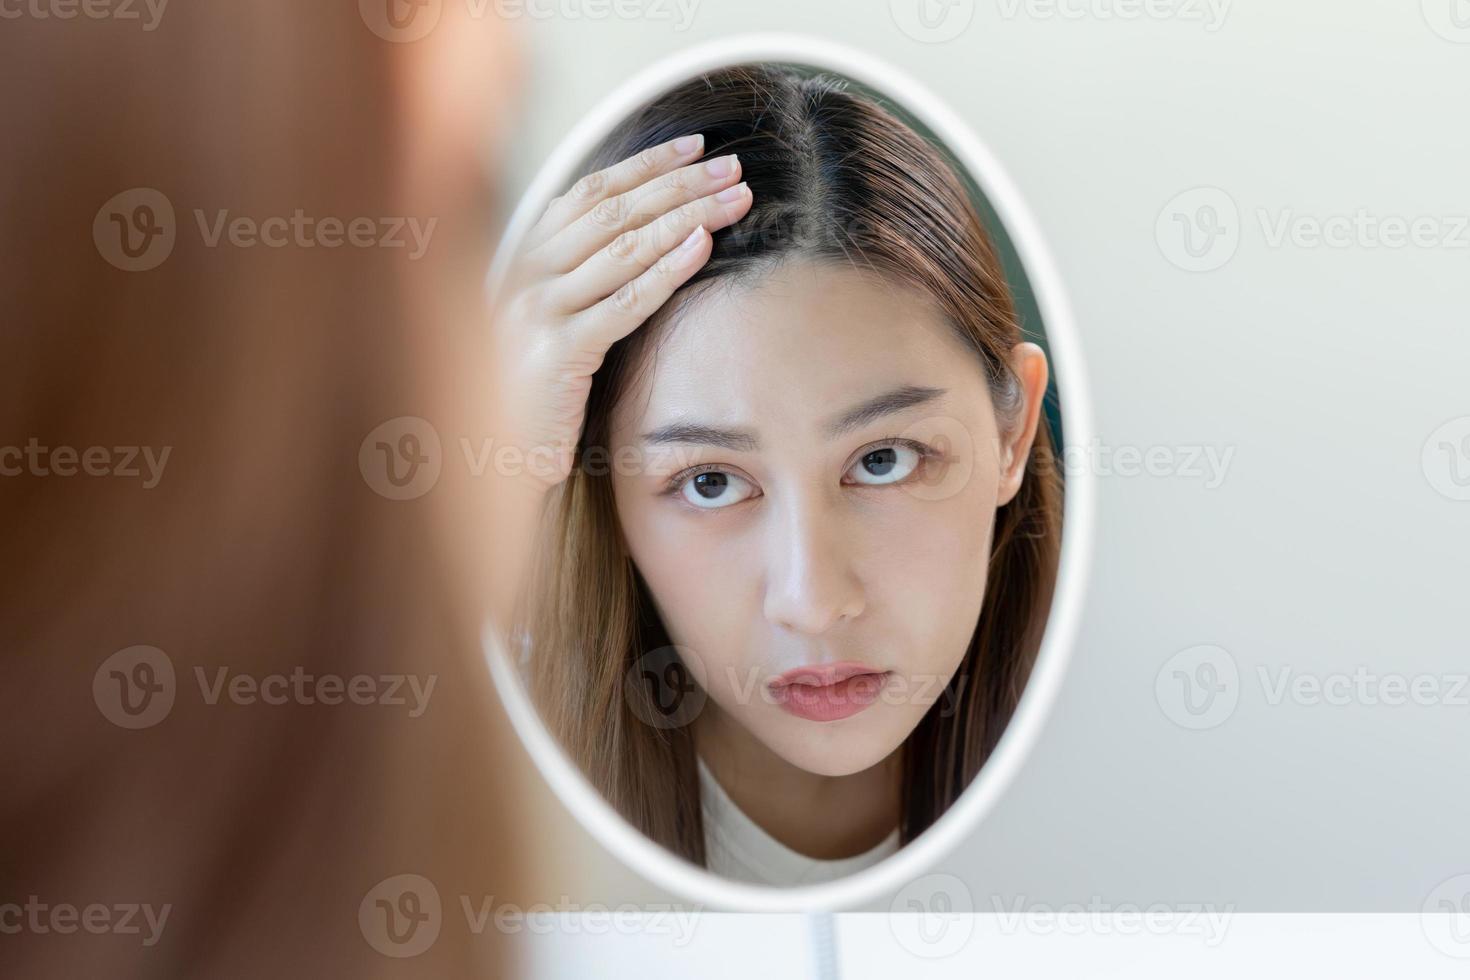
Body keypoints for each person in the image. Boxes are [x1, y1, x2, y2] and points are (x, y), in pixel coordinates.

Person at [490, 64, 1063, 886]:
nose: (812, 600)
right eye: (710, 482)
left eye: (883, 460)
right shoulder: (496, 788)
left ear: (1012, 431)